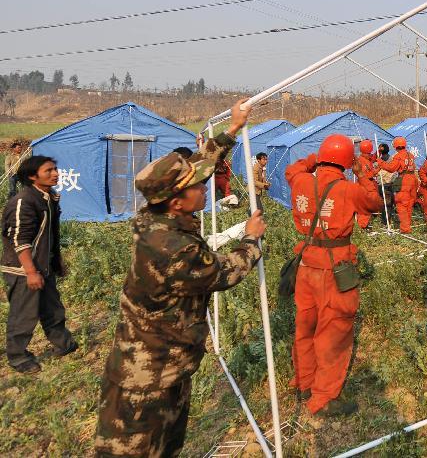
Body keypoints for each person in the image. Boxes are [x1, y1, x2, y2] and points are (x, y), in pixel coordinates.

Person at [94, 99, 266, 457]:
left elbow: (199, 168)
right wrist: (250, 238)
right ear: (176, 201)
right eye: (197, 187)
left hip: (161, 366)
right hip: (146, 381)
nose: (204, 188)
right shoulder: (173, 247)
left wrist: (232, 128)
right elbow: (223, 272)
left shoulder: (151, 213)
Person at [285, 134, 383, 416]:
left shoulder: (302, 181)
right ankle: (324, 398)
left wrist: (311, 161)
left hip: (306, 265)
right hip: (334, 267)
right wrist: (363, 173)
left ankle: (304, 382)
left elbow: (292, 171)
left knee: (306, 326)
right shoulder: (347, 189)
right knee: (334, 331)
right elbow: (374, 202)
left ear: (322, 156)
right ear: (346, 161)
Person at [1, 155, 77, 374]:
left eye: (55, 169)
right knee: (23, 315)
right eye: (49, 171)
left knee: (53, 309)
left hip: (43, 266)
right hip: (24, 269)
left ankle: (64, 344)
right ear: (32, 177)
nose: (56, 173)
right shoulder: (24, 201)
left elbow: (49, 236)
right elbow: (19, 240)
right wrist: (31, 272)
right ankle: (17, 357)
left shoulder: (47, 197)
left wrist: (56, 261)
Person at [379, 137, 418, 234]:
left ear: (395, 146)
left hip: (404, 179)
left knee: (402, 204)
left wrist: (381, 163)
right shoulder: (411, 155)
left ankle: (405, 229)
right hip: (413, 179)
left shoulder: (398, 156)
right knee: (410, 203)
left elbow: (391, 168)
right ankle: (408, 223)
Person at [355, 139, 380, 229]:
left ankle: (366, 223)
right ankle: (362, 226)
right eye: (369, 153)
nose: (370, 155)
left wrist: (378, 151)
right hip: (365, 184)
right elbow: (367, 174)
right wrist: (378, 170)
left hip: (367, 183)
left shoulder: (364, 158)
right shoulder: (362, 162)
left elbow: (372, 158)